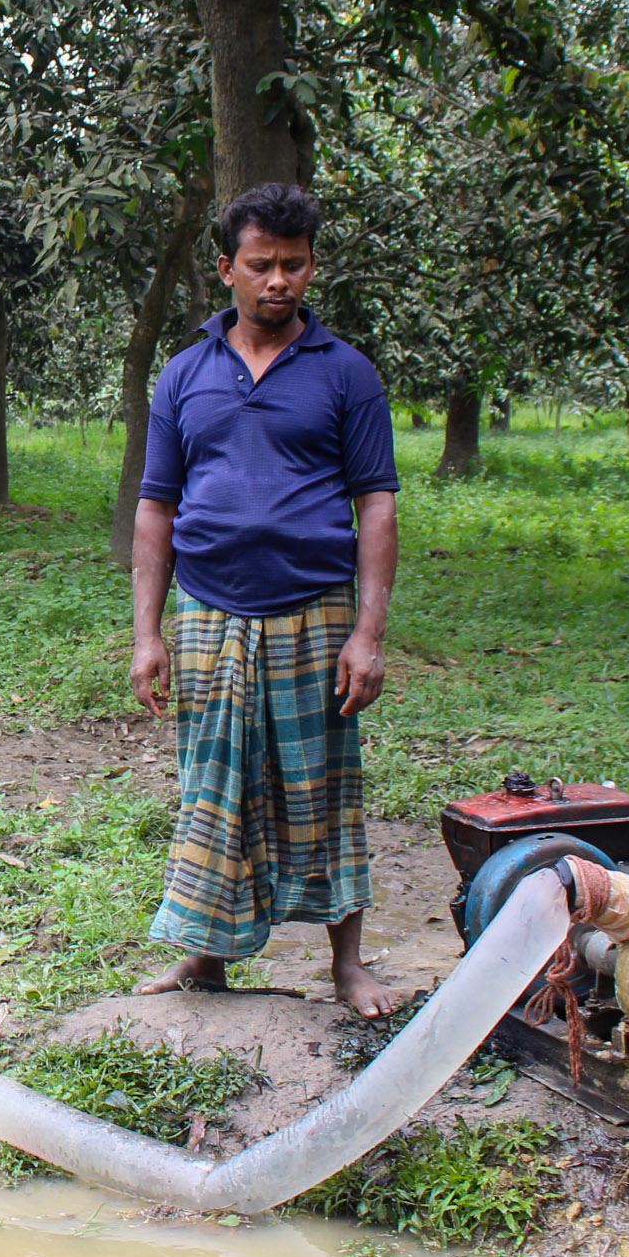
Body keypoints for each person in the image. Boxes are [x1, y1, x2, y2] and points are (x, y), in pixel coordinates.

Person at [127, 182, 404, 1018]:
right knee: (214, 781)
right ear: (226, 270)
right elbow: (156, 508)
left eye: (294, 264)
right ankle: (206, 957)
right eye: (261, 265)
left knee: (323, 782)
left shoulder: (347, 374)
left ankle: (348, 966)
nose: (278, 280)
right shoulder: (184, 375)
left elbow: (377, 504)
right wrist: (148, 632)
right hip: (208, 609)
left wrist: (369, 632)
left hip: (314, 611)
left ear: (311, 268)